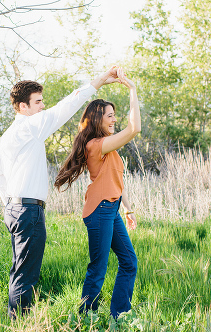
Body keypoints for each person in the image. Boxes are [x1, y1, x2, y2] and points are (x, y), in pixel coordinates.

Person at [0, 66, 122, 318]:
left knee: (20, 269)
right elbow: (66, 106)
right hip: (28, 209)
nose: (43, 106)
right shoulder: (30, 127)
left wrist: (10, 205)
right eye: (38, 102)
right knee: (27, 273)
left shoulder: (7, 136)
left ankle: (19, 320)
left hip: (15, 207)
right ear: (23, 107)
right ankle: (21, 322)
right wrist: (97, 83)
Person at [53, 67, 141, 319]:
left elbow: (116, 180)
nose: (115, 120)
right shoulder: (97, 145)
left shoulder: (108, 147)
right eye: (110, 116)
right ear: (97, 119)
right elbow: (134, 129)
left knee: (129, 262)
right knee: (98, 267)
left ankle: (120, 314)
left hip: (110, 209)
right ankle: (85, 317)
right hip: (99, 210)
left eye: (115, 115)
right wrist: (132, 89)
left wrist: (127, 209)